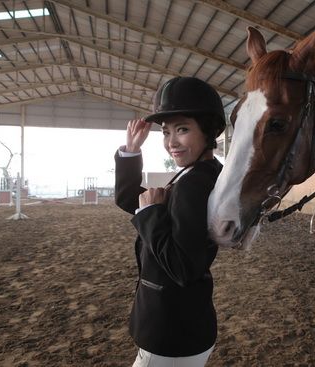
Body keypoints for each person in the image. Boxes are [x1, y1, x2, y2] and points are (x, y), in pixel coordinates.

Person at [114, 76, 226, 367]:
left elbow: (183, 266)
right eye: (165, 132)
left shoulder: (195, 184)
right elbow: (131, 199)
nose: (171, 142)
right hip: (184, 326)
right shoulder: (198, 172)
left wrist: (152, 213)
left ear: (209, 131)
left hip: (170, 332)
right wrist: (131, 151)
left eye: (182, 129)